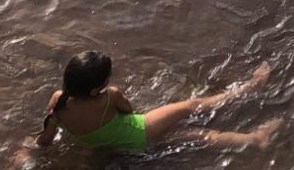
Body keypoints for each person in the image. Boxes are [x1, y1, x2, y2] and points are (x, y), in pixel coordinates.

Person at [35, 51, 280, 153]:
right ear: (96, 89)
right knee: (191, 106)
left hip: (123, 146)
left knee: (200, 136)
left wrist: (30, 150)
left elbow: (45, 139)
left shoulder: (59, 102)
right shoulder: (110, 96)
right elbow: (130, 111)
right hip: (140, 130)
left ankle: (253, 139)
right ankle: (250, 88)